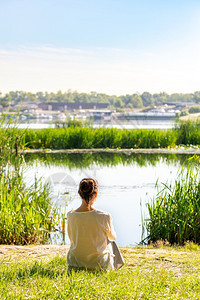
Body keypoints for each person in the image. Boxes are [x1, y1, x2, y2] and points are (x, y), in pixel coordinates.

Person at [67, 178, 124, 271]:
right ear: (96, 194)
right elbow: (113, 238)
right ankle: (116, 268)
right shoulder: (104, 216)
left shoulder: (70, 215)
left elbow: (71, 238)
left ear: (79, 194)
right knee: (110, 241)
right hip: (99, 264)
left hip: (75, 262)